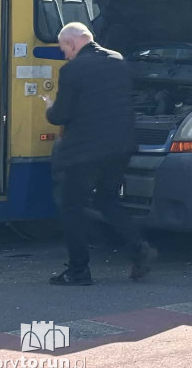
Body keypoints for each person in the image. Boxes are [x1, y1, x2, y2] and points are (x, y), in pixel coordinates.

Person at [41, 22, 155, 285]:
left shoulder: (72, 70)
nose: (64, 54)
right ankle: (140, 250)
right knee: (107, 200)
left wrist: (49, 107)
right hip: (121, 147)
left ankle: (79, 270)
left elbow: (62, 114)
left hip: (85, 151)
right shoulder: (117, 60)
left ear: (72, 43)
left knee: (71, 206)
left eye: (63, 49)